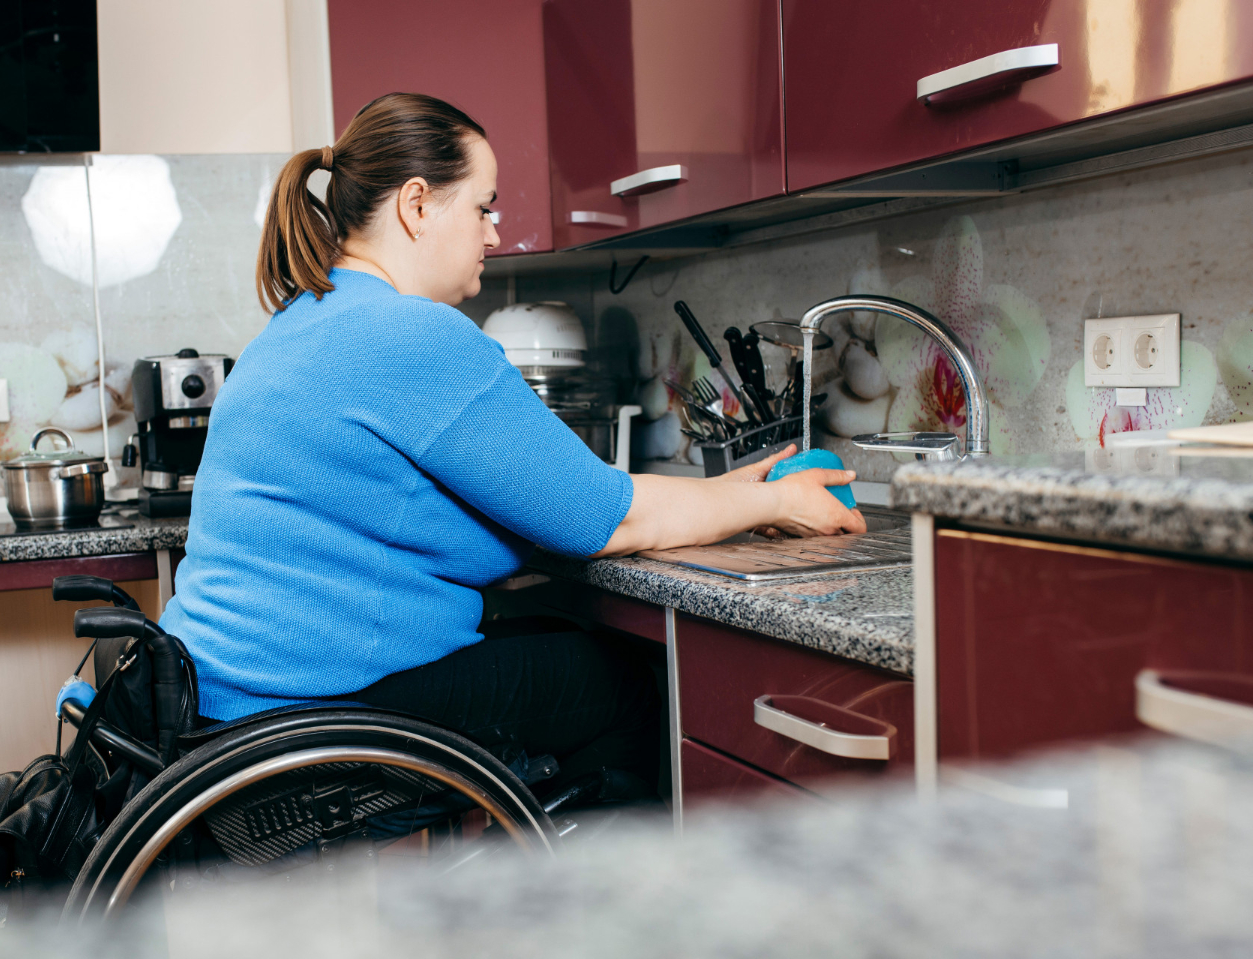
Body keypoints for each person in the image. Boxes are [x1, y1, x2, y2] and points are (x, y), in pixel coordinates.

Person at [158, 93, 864, 801]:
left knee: (543, 644)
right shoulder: (412, 334)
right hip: (315, 722)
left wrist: (742, 494)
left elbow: (493, 508)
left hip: (217, 715)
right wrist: (774, 502)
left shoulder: (293, 325)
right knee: (619, 685)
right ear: (417, 205)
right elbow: (604, 516)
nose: (495, 233)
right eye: (483, 207)